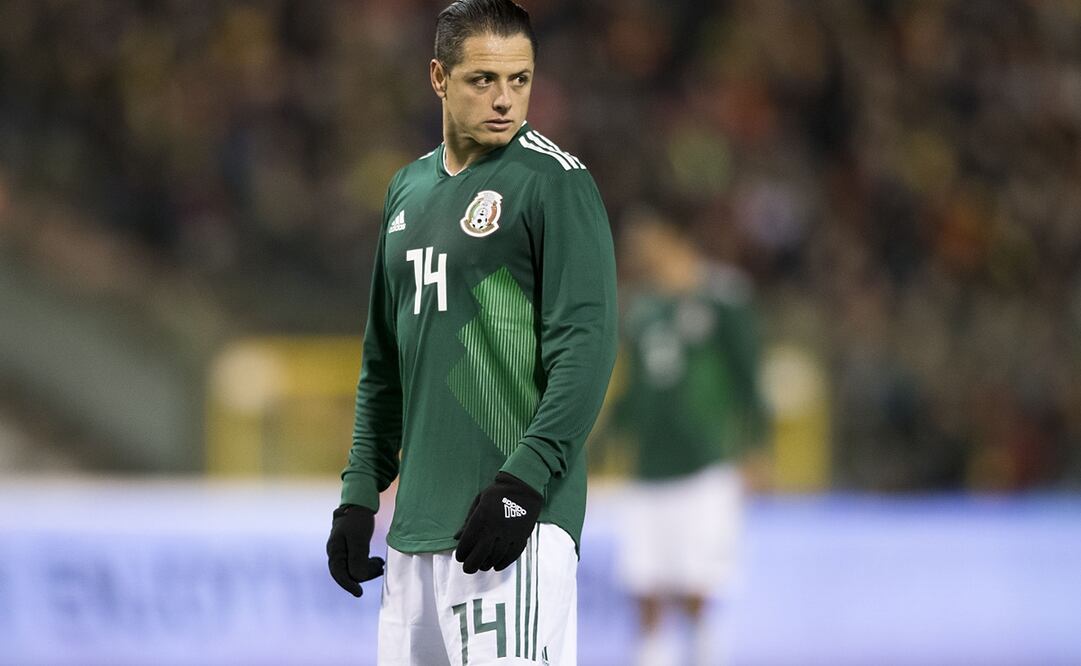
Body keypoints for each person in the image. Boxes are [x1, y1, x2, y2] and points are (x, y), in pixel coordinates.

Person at [325, 1, 618, 664]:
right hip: (415, 532)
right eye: (483, 79)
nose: (504, 99)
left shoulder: (553, 182)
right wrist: (357, 498)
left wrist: (524, 484)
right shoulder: (407, 191)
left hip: (512, 521)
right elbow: (382, 366)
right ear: (437, 76)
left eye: (519, 80)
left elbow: (587, 348)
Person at [610, 208, 769, 666]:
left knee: (698, 584)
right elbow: (637, 387)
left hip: (705, 464)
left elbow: (747, 375)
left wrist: (757, 446)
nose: (639, 251)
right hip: (647, 466)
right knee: (644, 584)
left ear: (676, 237)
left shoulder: (723, 297)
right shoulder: (638, 306)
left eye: (647, 238)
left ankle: (702, 653)